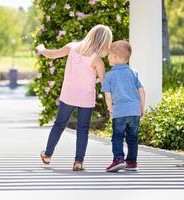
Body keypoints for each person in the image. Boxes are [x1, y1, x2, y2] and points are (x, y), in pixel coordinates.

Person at [36, 24, 113, 171]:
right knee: (82, 130)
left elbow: (51, 54)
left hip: (68, 95)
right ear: (104, 42)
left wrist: (41, 48)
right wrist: (111, 105)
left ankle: (47, 155)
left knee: (59, 125)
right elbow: (105, 85)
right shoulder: (98, 60)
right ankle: (78, 162)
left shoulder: (72, 47)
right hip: (86, 99)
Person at [101, 40, 146, 172]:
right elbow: (142, 91)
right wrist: (141, 108)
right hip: (134, 111)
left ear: (114, 57)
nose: (107, 57)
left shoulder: (109, 75)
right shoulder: (134, 72)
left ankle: (118, 159)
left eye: (109, 54)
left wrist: (110, 109)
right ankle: (131, 162)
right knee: (132, 137)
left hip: (120, 112)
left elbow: (108, 96)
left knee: (117, 136)